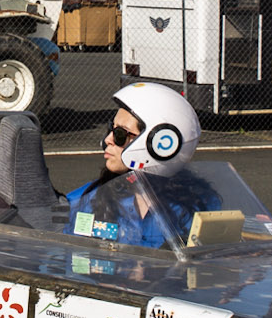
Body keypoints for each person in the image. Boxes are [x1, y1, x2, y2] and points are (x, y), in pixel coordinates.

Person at [67, 83, 206, 249]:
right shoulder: (86, 200)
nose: (107, 140)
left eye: (120, 134)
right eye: (111, 129)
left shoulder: (197, 209)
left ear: (161, 143)